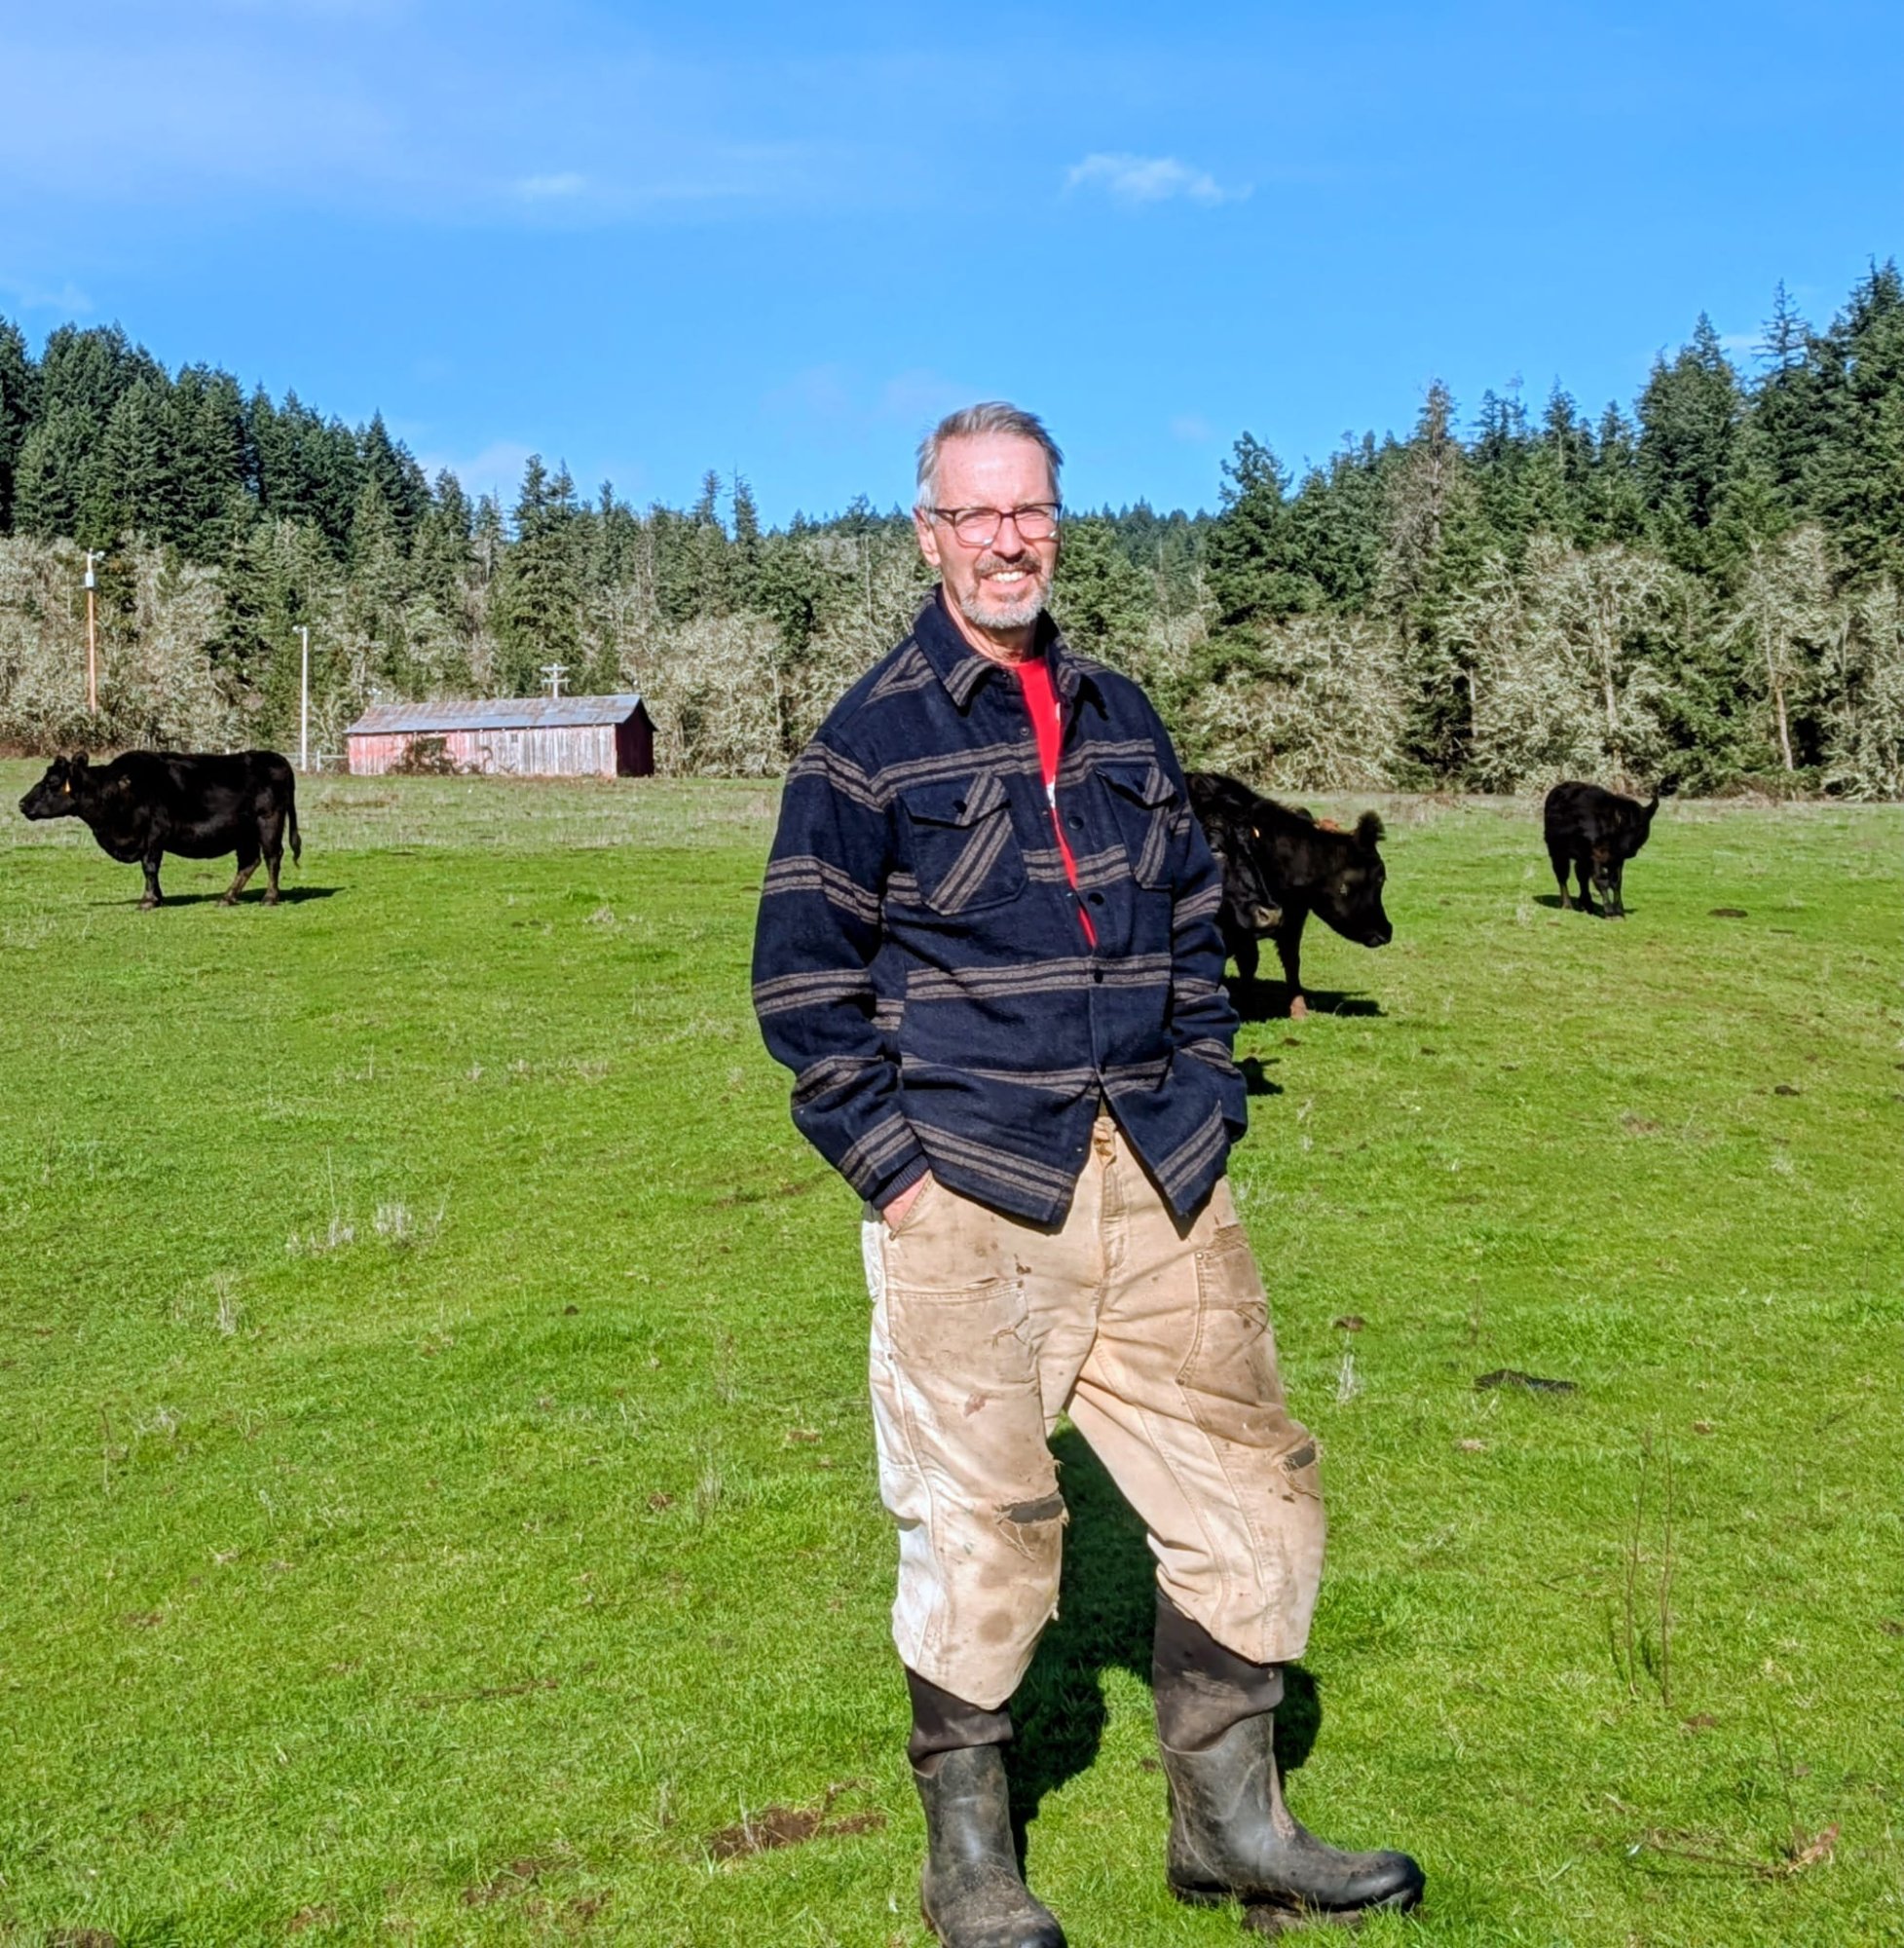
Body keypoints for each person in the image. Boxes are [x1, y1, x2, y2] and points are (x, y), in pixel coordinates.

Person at [751, 403, 1422, 1945]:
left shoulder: (1123, 717)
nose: (1008, 542)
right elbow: (802, 986)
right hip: (973, 1189)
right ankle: (971, 1867)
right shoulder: (865, 744)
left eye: (1031, 512)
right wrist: (900, 1180)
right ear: (928, 534)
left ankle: (1231, 1829)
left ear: (1059, 522)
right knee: (980, 1521)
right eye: (977, 515)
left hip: (1163, 1175)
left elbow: (1195, 918)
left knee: (1254, 1487)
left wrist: (1208, 1094)